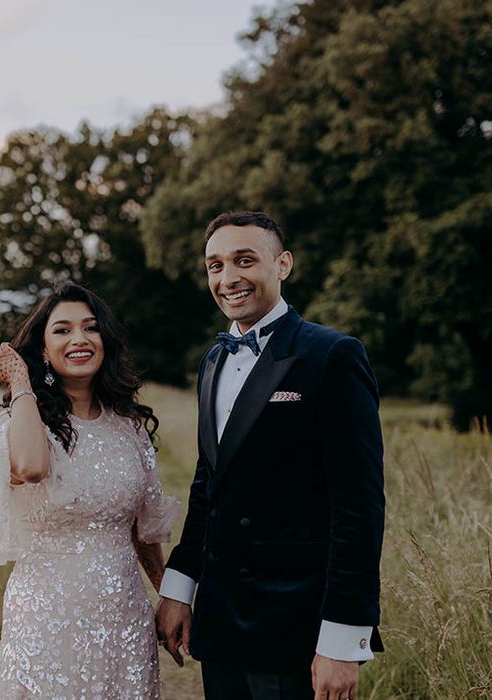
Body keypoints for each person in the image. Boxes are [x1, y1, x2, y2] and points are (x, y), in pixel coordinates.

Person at [155, 211, 385, 700]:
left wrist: (342, 641)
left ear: (283, 264)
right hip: (221, 625)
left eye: (244, 260)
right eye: (215, 266)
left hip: (295, 627)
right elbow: (208, 484)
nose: (228, 278)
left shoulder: (332, 356)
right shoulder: (212, 362)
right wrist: (179, 588)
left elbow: (359, 510)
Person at [0, 282, 179, 699]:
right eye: (62, 330)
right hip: (48, 619)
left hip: (124, 618)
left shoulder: (129, 427)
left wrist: (170, 598)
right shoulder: (21, 422)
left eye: (90, 328)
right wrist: (20, 381)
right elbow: (31, 467)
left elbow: (143, 530)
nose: (79, 339)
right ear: (43, 349)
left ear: (105, 341)